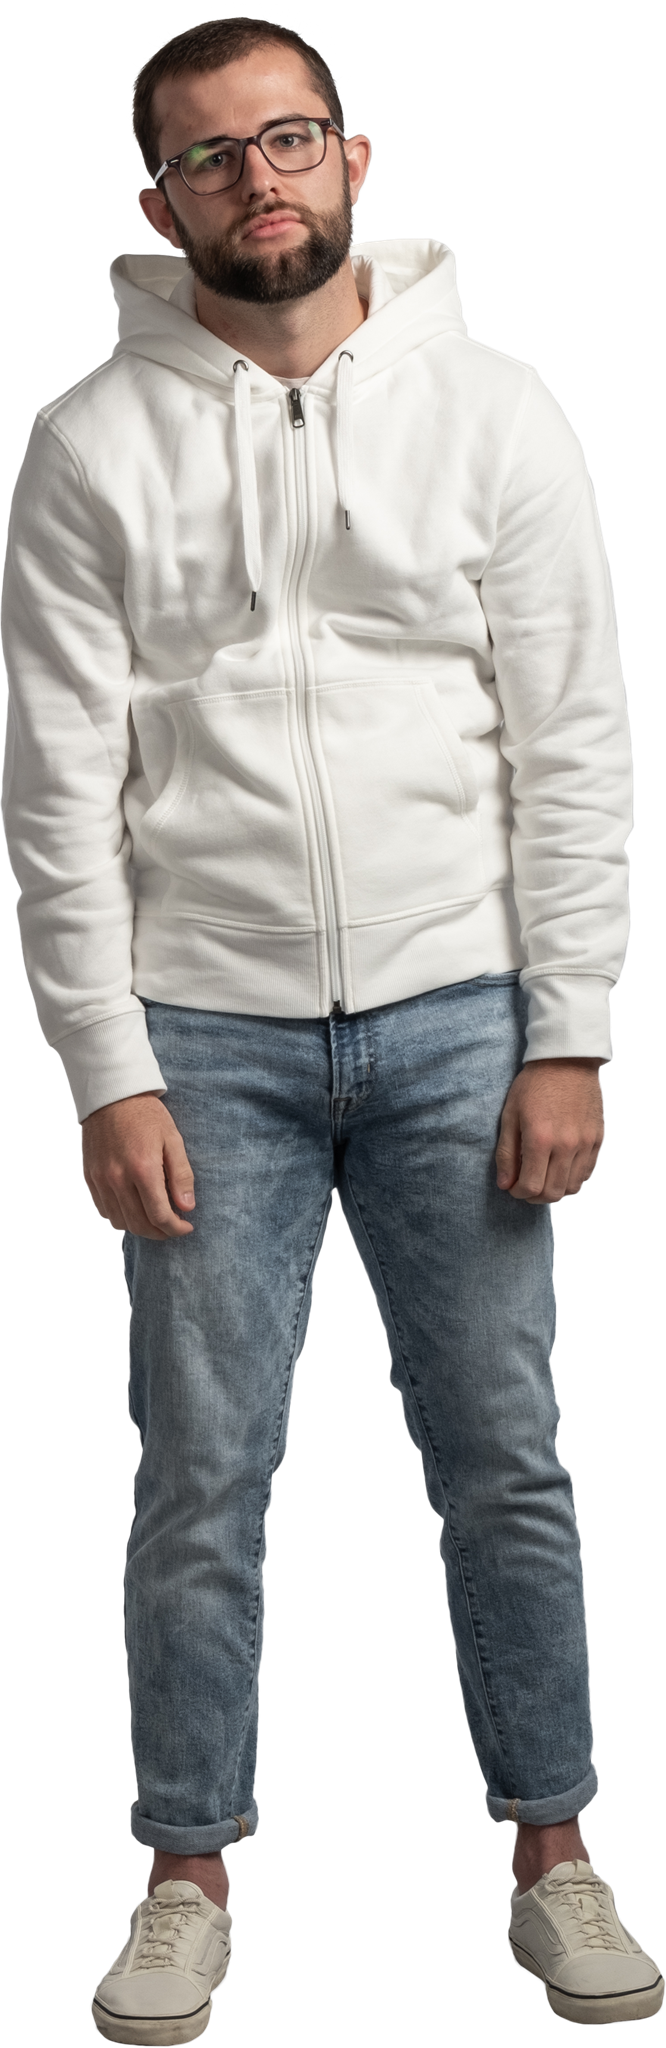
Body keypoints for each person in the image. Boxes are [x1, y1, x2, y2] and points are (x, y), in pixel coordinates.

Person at [1, 16, 662, 2040]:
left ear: (355, 159)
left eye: (288, 138)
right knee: (202, 1474)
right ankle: (185, 1869)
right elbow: (56, 788)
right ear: (160, 205)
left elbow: (571, 738)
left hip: (465, 1008)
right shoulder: (88, 446)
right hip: (206, 1030)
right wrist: (107, 1064)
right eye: (212, 157)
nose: (258, 179)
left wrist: (569, 1025)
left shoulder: (498, 411)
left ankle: (553, 1854)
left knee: (505, 1455)